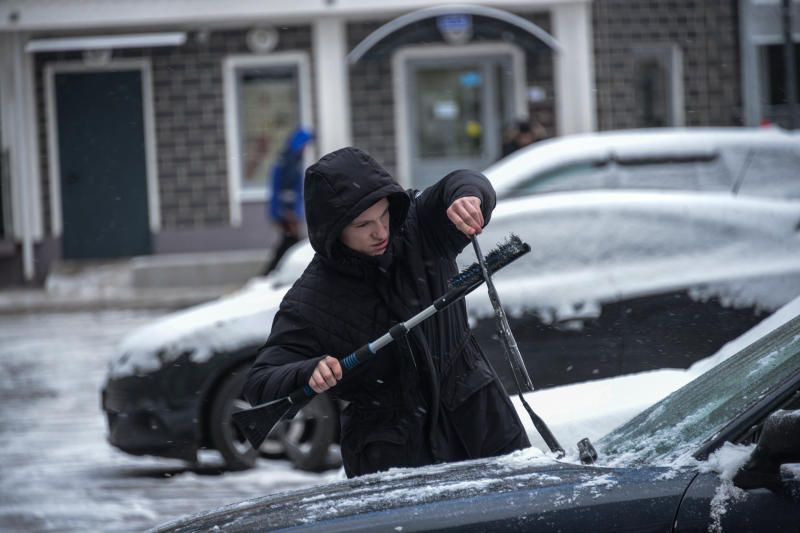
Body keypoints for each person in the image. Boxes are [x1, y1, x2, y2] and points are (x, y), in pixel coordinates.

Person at [245, 147, 530, 477]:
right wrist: (306, 372)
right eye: (364, 224)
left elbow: (462, 182)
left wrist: (468, 197)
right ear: (333, 231)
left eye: (383, 216)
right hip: (391, 459)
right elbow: (260, 384)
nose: (380, 231)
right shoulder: (312, 301)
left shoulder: (417, 226)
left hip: (482, 424)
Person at [263, 127, 314, 275]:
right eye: (304, 145)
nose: (305, 149)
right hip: (286, 213)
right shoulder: (287, 163)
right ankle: (272, 272)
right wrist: (287, 213)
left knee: (289, 242)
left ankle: (274, 271)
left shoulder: (292, 161)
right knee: (290, 242)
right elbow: (283, 190)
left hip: (287, 212)